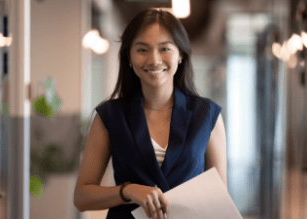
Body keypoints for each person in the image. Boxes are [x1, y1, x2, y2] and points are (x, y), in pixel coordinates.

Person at [74, 8, 227, 219]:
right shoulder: (109, 116)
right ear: (129, 56)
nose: (154, 60)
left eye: (165, 49)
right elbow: (82, 197)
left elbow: (219, 200)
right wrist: (127, 191)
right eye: (142, 50)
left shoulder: (207, 115)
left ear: (181, 54)